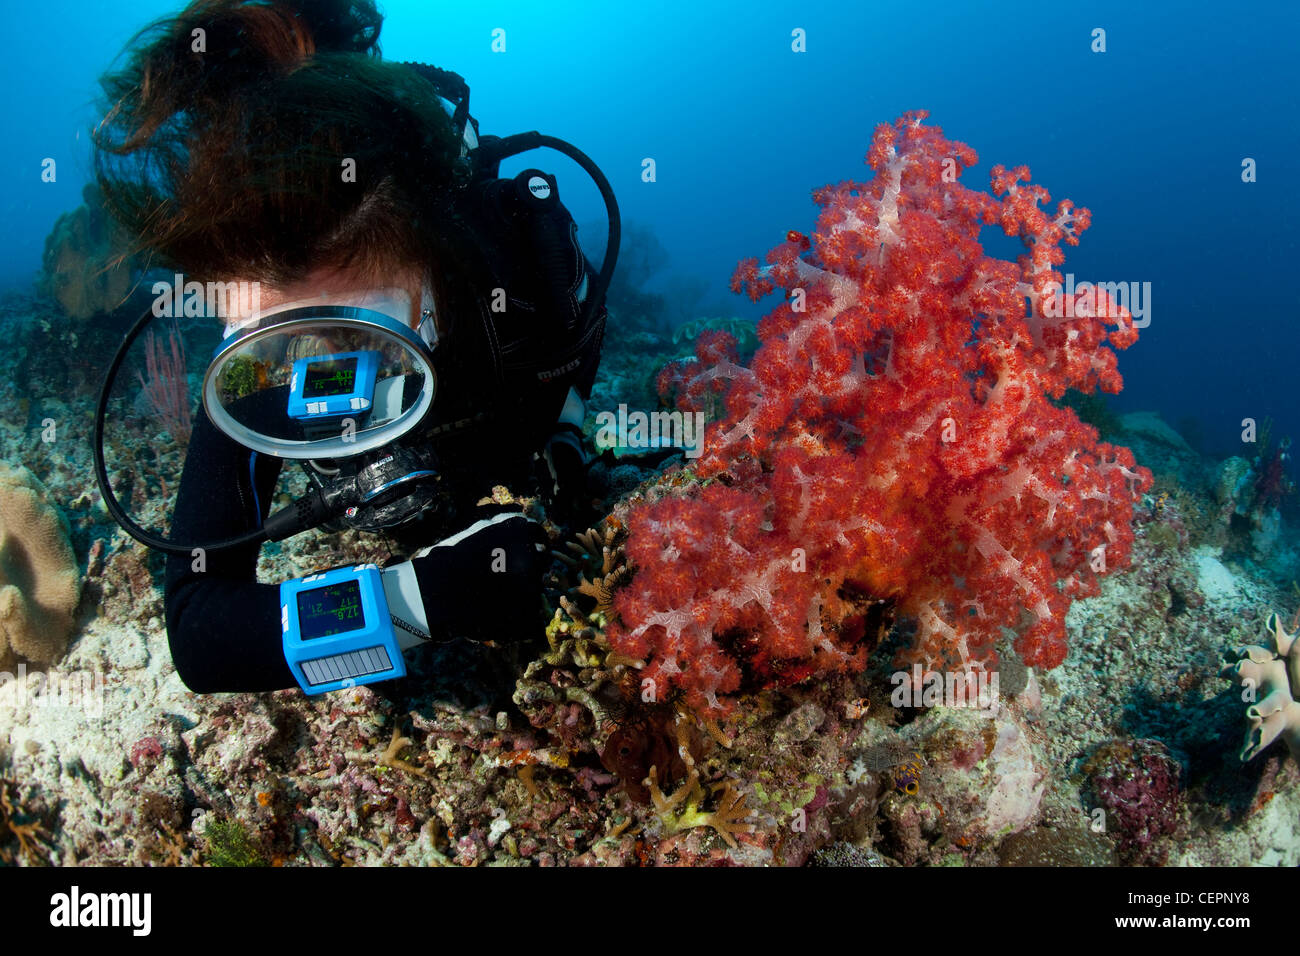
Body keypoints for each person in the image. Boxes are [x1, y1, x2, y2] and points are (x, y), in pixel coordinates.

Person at [92, 0, 611, 694]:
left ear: (437, 270)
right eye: (278, 341)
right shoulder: (250, 377)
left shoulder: (514, 260)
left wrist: (567, 435)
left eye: (360, 335)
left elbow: (578, 348)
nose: (321, 368)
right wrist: (417, 603)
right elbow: (200, 633)